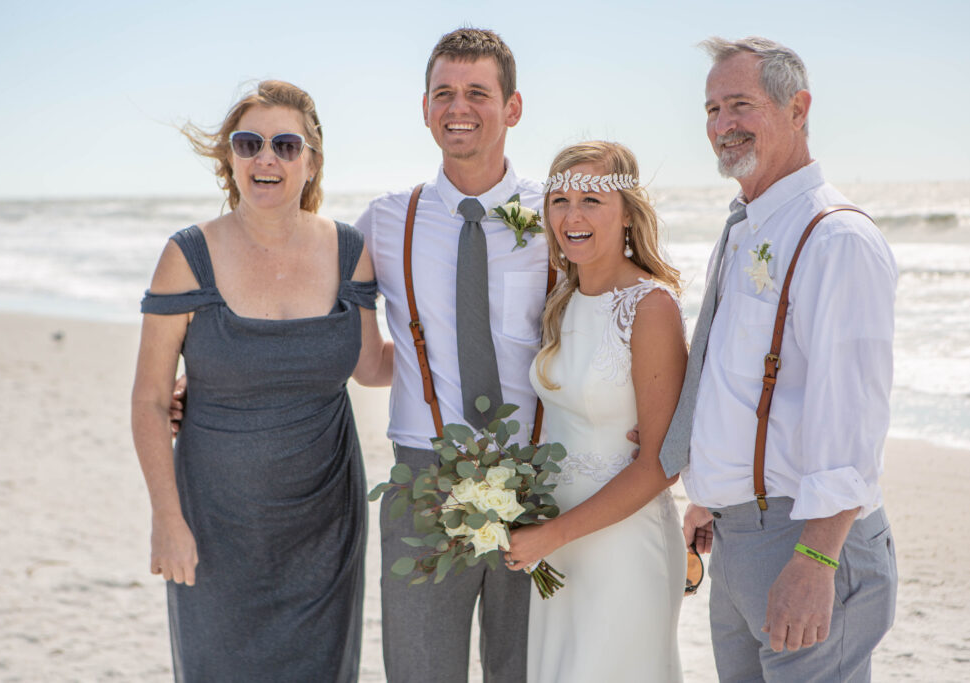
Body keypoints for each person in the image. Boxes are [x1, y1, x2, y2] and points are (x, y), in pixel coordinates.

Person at [131, 80, 391, 681]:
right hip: (214, 520)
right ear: (230, 158)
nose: (266, 158)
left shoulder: (349, 250)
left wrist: (449, 349)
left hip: (326, 520)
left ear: (311, 159)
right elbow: (149, 402)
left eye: (285, 144)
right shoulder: (186, 256)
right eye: (248, 144)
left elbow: (371, 365)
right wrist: (166, 520)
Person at [660, 37, 898, 681]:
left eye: (740, 104)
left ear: (799, 108)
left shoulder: (836, 237)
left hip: (805, 537)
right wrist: (711, 492)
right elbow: (731, 373)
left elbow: (851, 416)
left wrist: (817, 561)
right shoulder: (745, 227)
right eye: (711, 109)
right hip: (740, 536)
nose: (721, 125)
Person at [354, 28, 547, 683]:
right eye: (444, 92)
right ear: (425, 107)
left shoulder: (559, 216)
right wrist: (201, 381)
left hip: (541, 479)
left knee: (527, 669)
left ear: (512, 108)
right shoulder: (383, 221)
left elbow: (617, 324)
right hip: (422, 478)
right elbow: (308, 314)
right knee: (419, 669)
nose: (457, 106)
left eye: (476, 93)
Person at [505, 141, 688, 682]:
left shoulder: (651, 307)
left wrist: (551, 536)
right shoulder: (562, 299)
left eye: (591, 199)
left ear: (627, 213)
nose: (572, 215)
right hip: (556, 543)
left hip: (621, 544)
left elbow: (660, 464)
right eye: (559, 200)